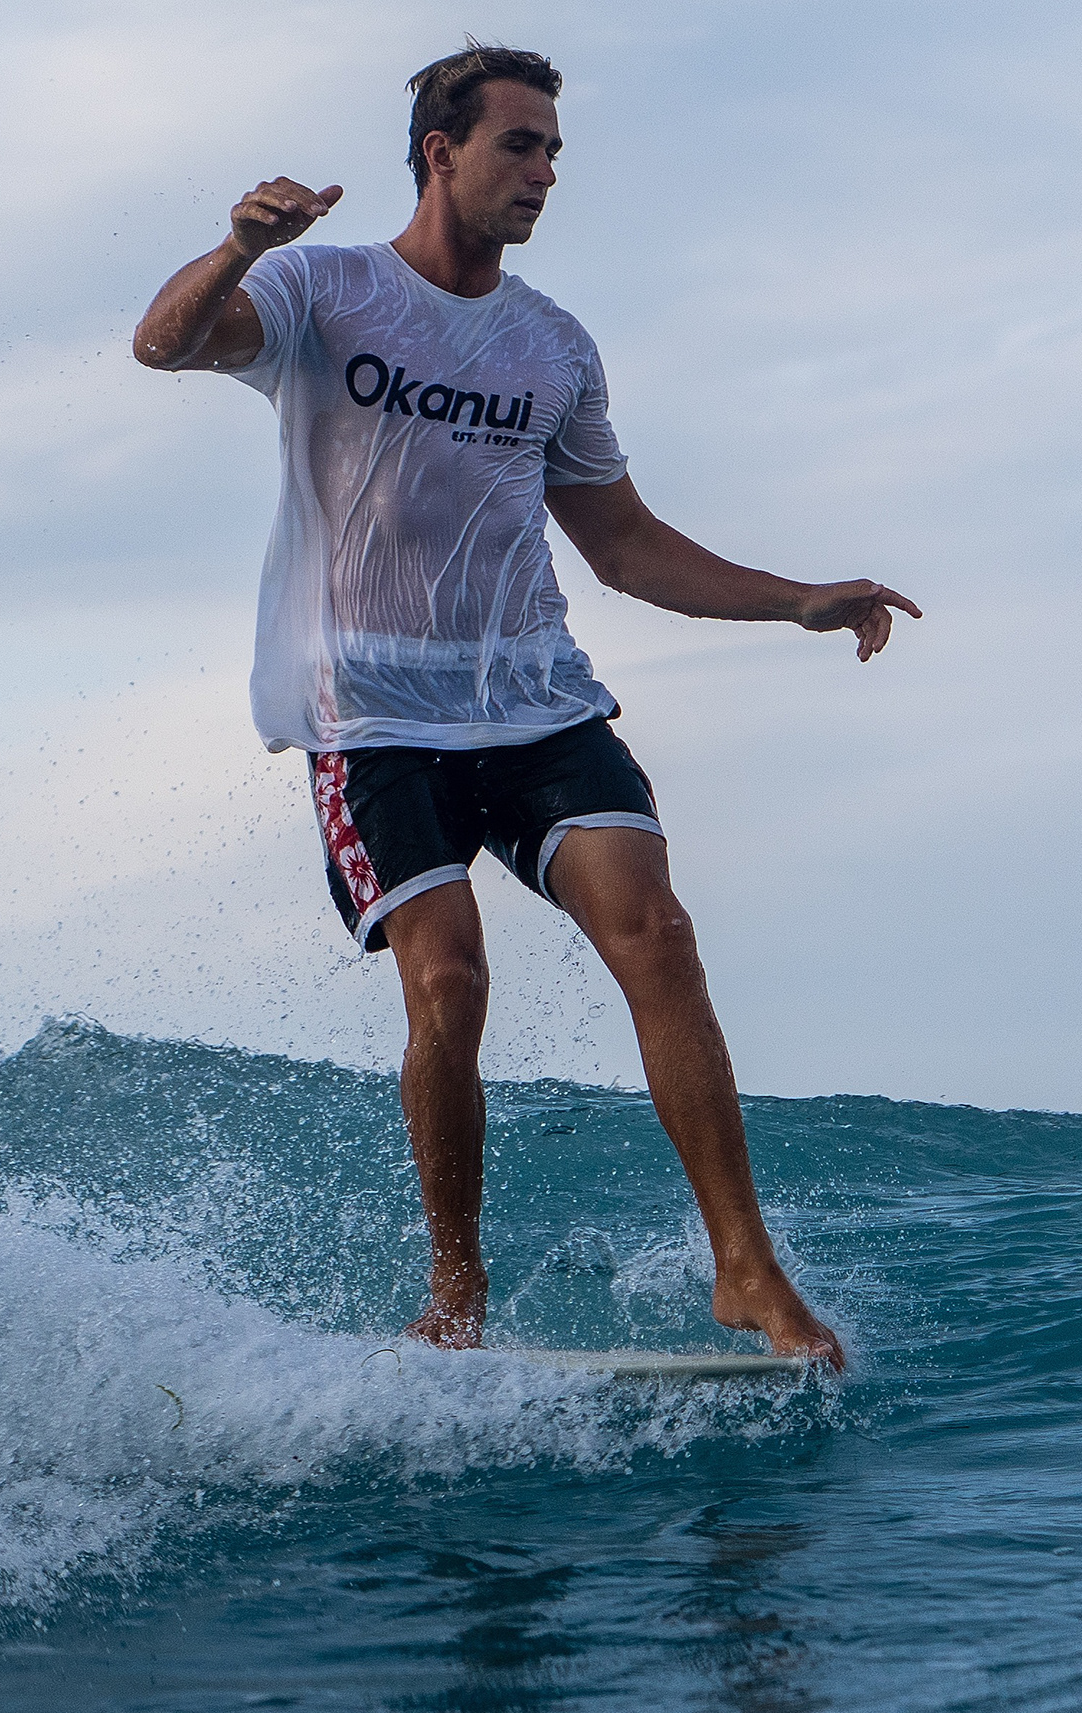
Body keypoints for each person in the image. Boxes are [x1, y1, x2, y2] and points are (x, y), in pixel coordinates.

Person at [132, 42, 919, 1361]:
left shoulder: (553, 347)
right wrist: (233, 247)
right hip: (369, 710)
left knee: (657, 935)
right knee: (449, 981)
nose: (545, 173)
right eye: (521, 145)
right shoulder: (323, 290)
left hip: (534, 698)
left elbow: (623, 547)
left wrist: (794, 599)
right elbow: (164, 344)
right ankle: (456, 1289)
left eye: (554, 150)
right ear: (441, 150)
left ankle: (746, 1270)